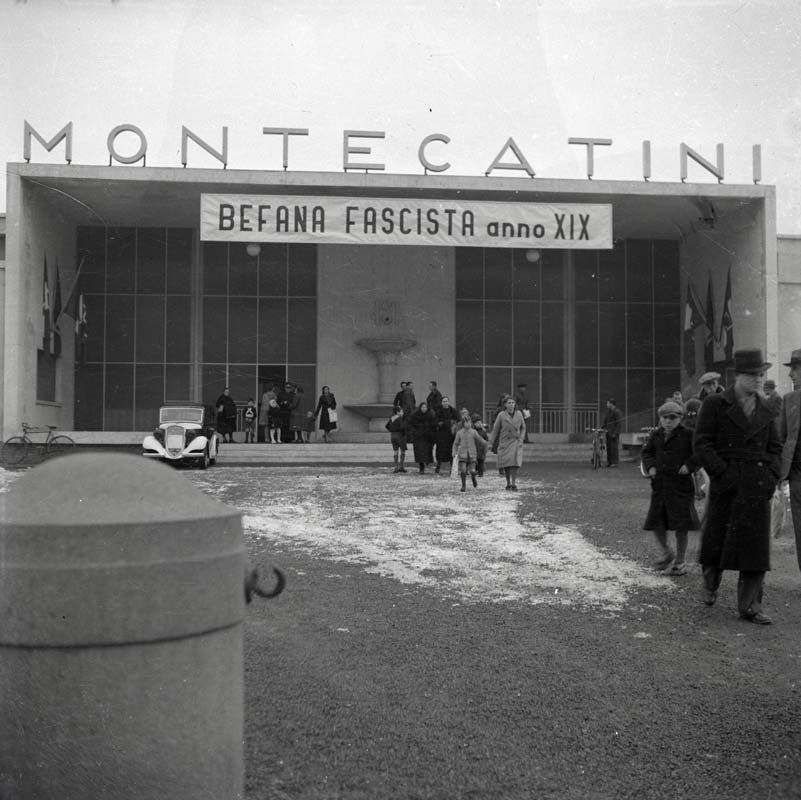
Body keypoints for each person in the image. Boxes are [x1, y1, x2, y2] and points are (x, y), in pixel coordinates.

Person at [693, 348, 782, 624]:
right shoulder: (715, 404)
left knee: (755, 550)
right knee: (716, 541)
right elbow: (702, 443)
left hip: (757, 485)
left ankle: (750, 606)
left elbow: (775, 448)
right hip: (727, 484)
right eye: (752, 375)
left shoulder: (767, 408)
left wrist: (770, 478)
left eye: (761, 374)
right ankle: (710, 586)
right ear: (738, 376)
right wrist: (722, 473)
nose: (758, 380)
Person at [641, 401, 700, 576]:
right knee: (656, 522)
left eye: (673, 418)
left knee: (681, 525)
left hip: (681, 487)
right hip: (660, 485)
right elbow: (647, 452)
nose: (668, 421)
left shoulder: (688, 435)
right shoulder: (656, 435)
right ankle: (667, 553)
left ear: (680, 418)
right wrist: (651, 467)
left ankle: (680, 562)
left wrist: (689, 466)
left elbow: (700, 453)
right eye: (665, 418)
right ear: (660, 418)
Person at [779, 348, 801, 572]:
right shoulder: (789, 400)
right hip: (797, 476)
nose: (791, 375)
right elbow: (781, 437)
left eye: (795, 369)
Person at [490, 395, 526, 490]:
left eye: (513, 403)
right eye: (509, 403)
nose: (511, 405)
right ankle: (508, 482)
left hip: (516, 441)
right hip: (505, 441)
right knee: (506, 463)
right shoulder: (501, 415)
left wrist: (521, 438)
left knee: (515, 463)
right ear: (505, 404)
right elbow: (495, 429)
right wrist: (491, 442)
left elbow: (523, 427)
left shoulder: (519, 414)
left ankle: (513, 483)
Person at [452, 416, 488, 492]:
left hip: (472, 454)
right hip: (463, 454)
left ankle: (473, 478)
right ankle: (463, 485)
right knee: (463, 469)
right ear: (463, 423)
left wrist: (486, 443)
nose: (468, 424)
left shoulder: (473, 432)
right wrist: (454, 452)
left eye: (469, 422)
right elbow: (455, 443)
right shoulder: (459, 433)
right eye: (466, 422)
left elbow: (480, 439)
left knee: (472, 470)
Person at [433, 395, 458, 474]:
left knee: (450, 451)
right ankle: (438, 466)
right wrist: (442, 423)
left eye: (446, 401)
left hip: (450, 435)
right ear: (441, 402)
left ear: (449, 402)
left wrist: (452, 424)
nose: (445, 403)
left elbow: (457, 419)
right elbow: (436, 421)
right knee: (440, 451)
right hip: (441, 435)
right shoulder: (438, 411)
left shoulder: (452, 410)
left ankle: (451, 467)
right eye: (443, 401)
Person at [407, 401, 435, 473]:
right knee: (419, 453)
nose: (424, 408)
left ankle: (427, 462)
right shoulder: (415, 415)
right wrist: (415, 432)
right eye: (423, 407)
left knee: (427, 452)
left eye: (425, 407)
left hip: (427, 437)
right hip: (418, 437)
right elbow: (410, 424)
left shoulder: (430, 415)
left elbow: (433, 425)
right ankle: (421, 467)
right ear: (420, 408)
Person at [385, 406, 408, 473]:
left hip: (392, 436)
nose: (402, 413)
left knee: (395, 451)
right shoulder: (400, 418)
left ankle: (396, 467)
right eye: (401, 411)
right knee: (402, 450)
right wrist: (404, 434)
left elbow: (386, 426)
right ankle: (401, 466)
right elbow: (402, 427)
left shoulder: (391, 418)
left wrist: (392, 430)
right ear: (398, 412)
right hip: (400, 435)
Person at [601, 398, 623, 467]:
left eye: (608, 403)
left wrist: (615, 433)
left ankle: (614, 462)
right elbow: (606, 421)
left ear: (611, 404)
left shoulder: (617, 412)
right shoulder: (608, 412)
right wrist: (602, 428)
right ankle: (609, 462)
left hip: (614, 433)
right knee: (609, 448)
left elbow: (619, 423)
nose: (607, 404)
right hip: (608, 432)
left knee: (614, 448)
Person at [471, 412, 489, 477]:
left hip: (481, 450)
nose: (479, 423)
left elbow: (486, 439)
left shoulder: (483, 431)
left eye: (480, 422)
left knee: (481, 462)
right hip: (474, 450)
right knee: (475, 463)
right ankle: (475, 472)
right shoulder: (472, 431)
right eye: (477, 422)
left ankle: (481, 474)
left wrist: (485, 447)